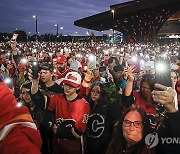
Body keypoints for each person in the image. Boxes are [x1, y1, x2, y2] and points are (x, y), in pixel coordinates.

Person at [106, 83, 180, 154]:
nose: (131, 128)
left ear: (144, 127)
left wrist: (172, 111)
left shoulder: (154, 147)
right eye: (127, 122)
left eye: (137, 124)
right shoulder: (113, 145)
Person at [31, 71, 90, 154]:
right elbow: (39, 100)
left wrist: (57, 131)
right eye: (66, 84)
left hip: (73, 147)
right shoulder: (58, 98)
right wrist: (35, 83)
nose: (67, 88)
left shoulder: (83, 104)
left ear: (77, 87)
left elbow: (78, 133)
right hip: (57, 145)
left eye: (71, 86)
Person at [0, 76, 42, 154]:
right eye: (23, 93)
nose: (25, 96)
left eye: (28, 93)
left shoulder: (14, 130)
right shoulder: (20, 106)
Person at [84, 82, 114, 154]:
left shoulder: (108, 108)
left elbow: (110, 128)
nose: (94, 94)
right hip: (87, 142)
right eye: (93, 91)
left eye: (98, 92)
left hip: (102, 144)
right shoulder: (86, 105)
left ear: (102, 94)